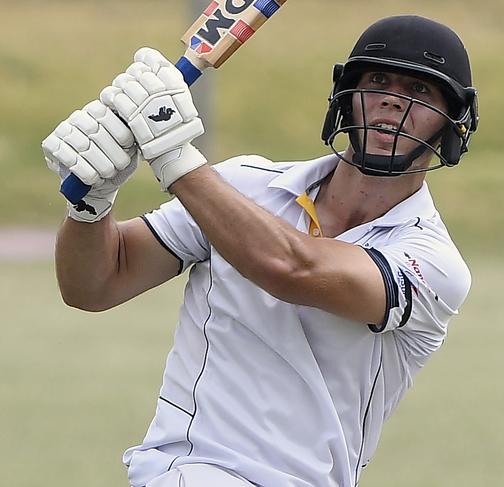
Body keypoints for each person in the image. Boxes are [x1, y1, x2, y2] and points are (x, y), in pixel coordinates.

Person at [43, 15, 479, 487]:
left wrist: (175, 158)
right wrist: (91, 207)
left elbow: (292, 268)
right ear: (346, 97)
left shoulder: (433, 263)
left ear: (451, 122)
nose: (394, 99)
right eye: (378, 80)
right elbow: (96, 283)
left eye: (421, 90)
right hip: (186, 473)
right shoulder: (242, 186)